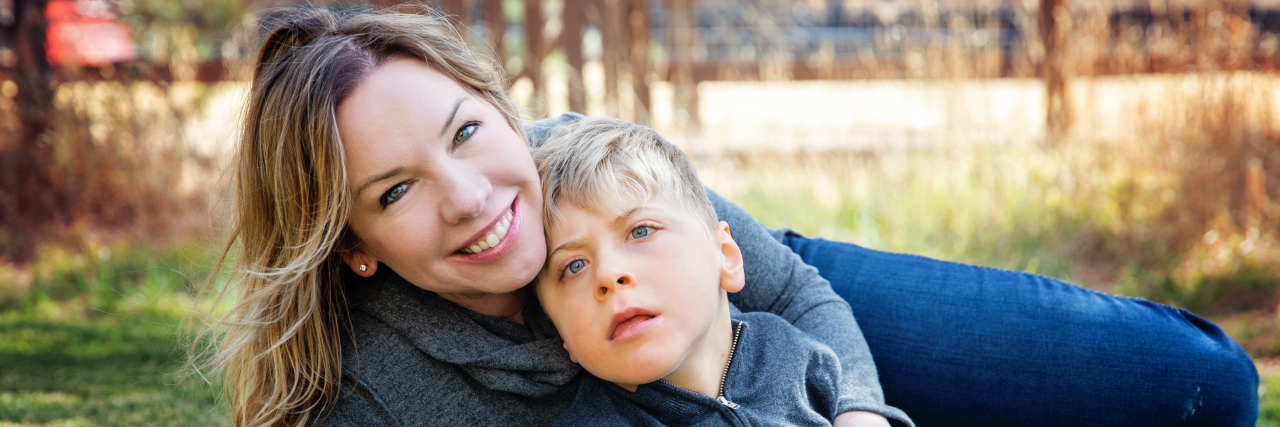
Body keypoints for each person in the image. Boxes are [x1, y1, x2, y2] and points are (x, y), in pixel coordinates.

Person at [195, 5, 1258, 427]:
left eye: (467, 131)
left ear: (498, 103)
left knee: (1201, 385)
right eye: (395, 191)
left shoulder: (586, 171)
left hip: (747, 305)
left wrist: (858, 413)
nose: (471, 196)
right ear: (351, 246)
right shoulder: (370, 401)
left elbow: (793, 291)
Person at [531, 116, 914, 426]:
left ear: (727, 256)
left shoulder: (792, 354)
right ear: (560, 334)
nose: (608, 274)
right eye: (574, 266)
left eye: (641, 231)